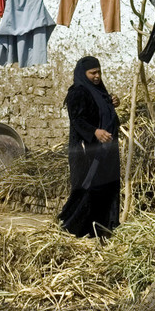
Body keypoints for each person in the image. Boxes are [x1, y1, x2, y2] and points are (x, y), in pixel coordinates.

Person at [58, 55, 122, 238]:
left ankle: (105, 227)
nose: (97, 76)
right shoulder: (77, 92)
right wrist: (95, 132)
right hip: (87, 150)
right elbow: (77, 120)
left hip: (106, 150)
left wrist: (112, 103)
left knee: (107, 187)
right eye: (92, 73)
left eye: (99, 72)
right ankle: (72, 227)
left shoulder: (98, 90)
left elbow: (101, 110)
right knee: (87, 189)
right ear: (82, 73)